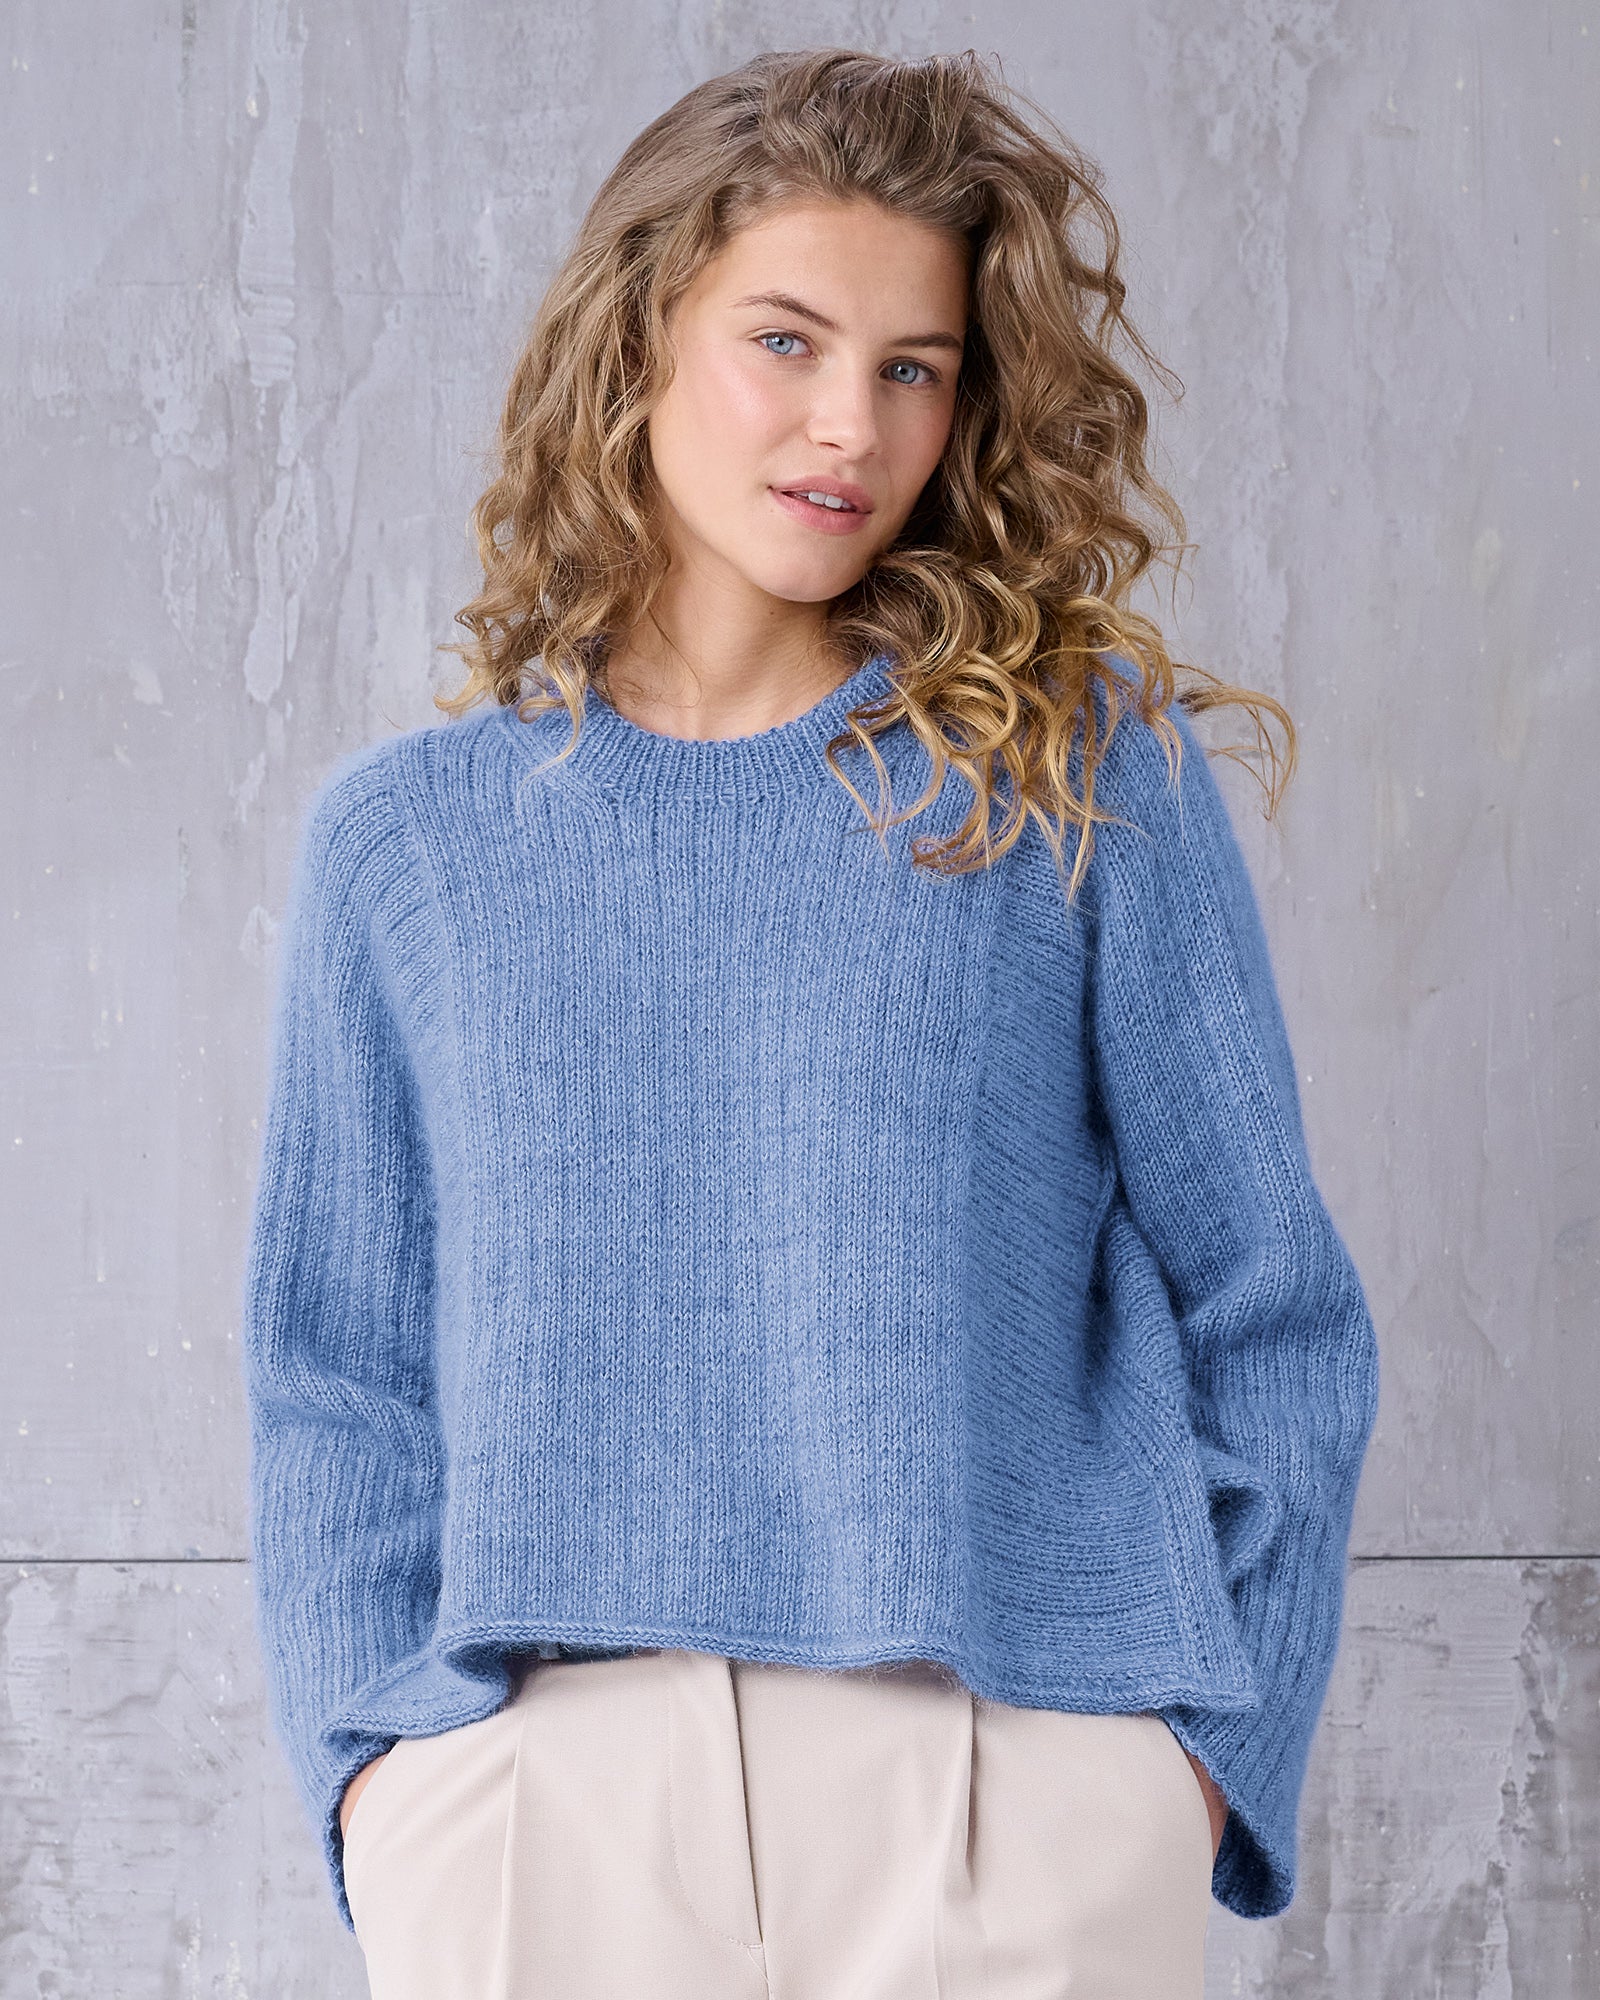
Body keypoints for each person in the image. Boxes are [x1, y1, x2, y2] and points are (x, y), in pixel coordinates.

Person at [239, 46, 1380, 2000]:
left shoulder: (1068, 779)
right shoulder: (407, 846)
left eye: (914, 366)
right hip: (538, 1802)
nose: (852, 423)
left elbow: (1274, 1311)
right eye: (785, 339)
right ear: (639, 338)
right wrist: (384, 1786)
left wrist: (1191, 1770)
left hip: (1005, 1787)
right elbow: (334, 1373)